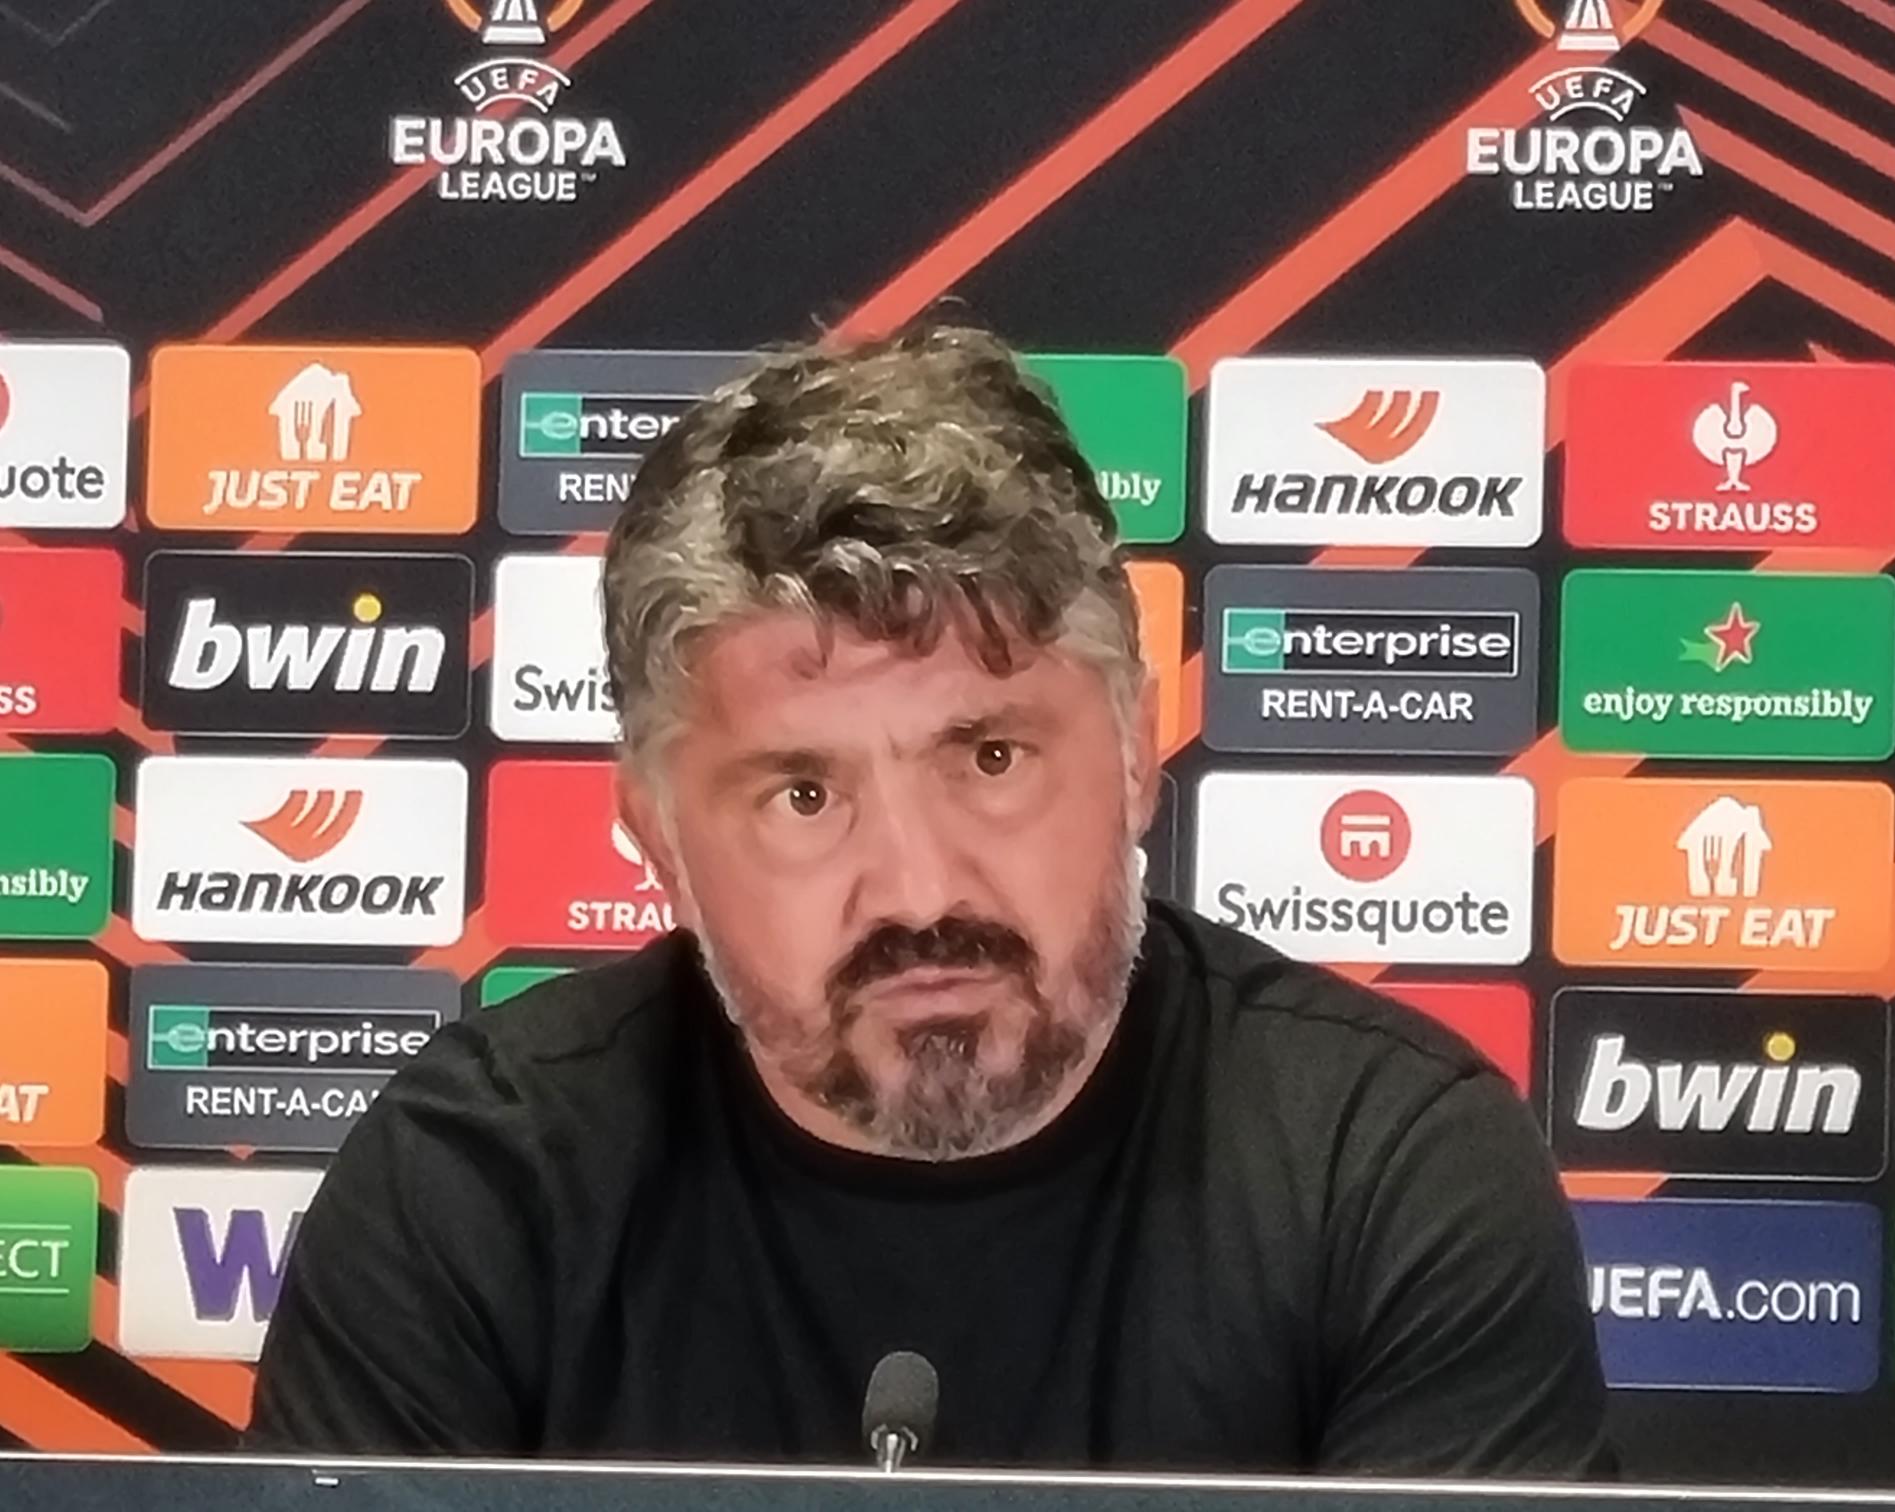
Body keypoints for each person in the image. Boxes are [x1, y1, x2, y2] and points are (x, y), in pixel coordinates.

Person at [246, 318, 1613, 1475]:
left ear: (1134, 750)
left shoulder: (1385, 1170)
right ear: (656, 842)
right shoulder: (472, 1189)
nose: (917, 889)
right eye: (803, 794)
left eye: (991, 759)